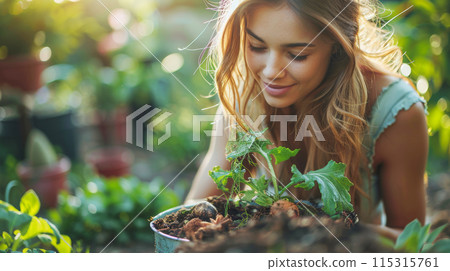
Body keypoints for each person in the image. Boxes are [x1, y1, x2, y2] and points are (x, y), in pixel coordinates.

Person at [185, 0, 428, 241]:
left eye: (297, 55)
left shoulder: (393, 111)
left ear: (336, 45)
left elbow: (410, 243)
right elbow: (191, 218)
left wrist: (323, 233)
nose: (271, 71)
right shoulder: (247, 96)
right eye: (257, 46)